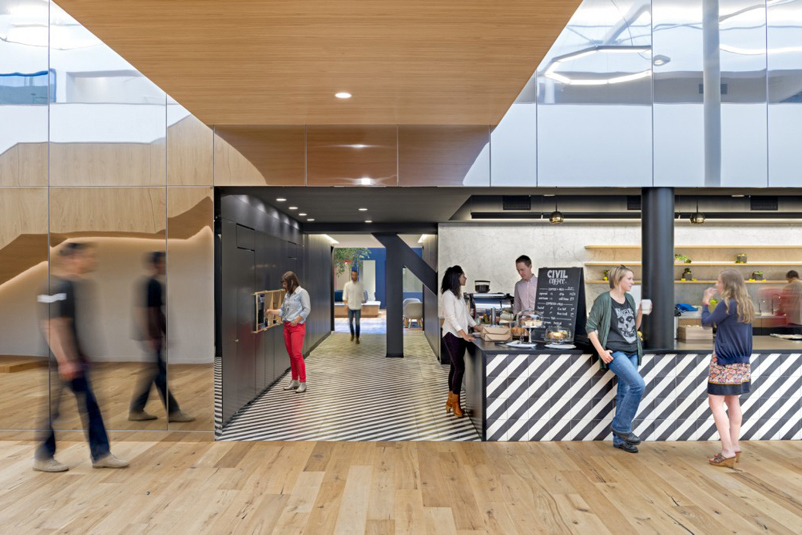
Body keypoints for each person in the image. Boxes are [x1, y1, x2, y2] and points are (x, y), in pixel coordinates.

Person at [34, 242, 129, 472]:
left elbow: (68, 325)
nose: (91, 260)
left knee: (86, 405)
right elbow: (52, 325)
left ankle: (98, 454)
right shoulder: (57, 287)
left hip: (74, 360)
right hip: (63, 361)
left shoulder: (75, 285)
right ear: (73, 258)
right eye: (87, 256)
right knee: (63, 409)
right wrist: (65, 360)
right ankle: (46, 457)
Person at [586, 265, 646, 454]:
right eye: (629, 278)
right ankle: (621, 426)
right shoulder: (604, 300)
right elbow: (590, 327)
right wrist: (602, 352)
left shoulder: (629, 299)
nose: (633, 282)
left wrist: (640, 313)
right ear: (619, 279)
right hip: (616, 352)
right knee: (638, 385)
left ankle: (619, 440)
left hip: (632, 351)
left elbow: (633, 328)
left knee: (624, 392)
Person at [129, 252, 194, 423]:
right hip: (152, 337)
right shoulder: (151, 284)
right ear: (155, 264)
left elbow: (159, 312)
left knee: (155, 373)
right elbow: (146, 312)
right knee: (159, 374)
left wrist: (165, 334)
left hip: (153, 336)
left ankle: (136, 409)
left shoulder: (155, 284)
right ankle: (173, 412)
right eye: (163, 263)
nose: (165, 266)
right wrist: (151, 336)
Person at [701, 269, 755, 468]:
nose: (717, 285)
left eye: (719, 281)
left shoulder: (726, 304)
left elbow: (706, 323)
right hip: (742, 362)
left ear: (728, 284)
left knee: (715, 403)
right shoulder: (746, 304)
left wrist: (705, 302)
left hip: (723, 361)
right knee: (733, 401)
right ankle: (735, 446)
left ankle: (726, 451)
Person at [441, 265, 483, 417]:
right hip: (451, 335)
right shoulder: (447, 295)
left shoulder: (458, 295)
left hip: (459, 335)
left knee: (454, 367)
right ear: (456, 277)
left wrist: (478, 328)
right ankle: (456, 404)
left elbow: (466, 316)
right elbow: (451, 317)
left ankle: (450, 401)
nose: (465, 278)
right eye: (463, 276)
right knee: (460, 367)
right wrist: (464, 334)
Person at [268, 271, 311, 393]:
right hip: (287, 326)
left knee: (297, 355)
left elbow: (307, 309)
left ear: (292, 282)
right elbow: (282, 311)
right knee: (291, 355)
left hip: (297, 327)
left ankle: (303, 382)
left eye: (285, 283)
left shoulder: (302, 293)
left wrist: (297, 320)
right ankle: (294, 380)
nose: (283, 286)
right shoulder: (287, 294)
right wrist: (271, 311)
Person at [343, 269, 365, 344]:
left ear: (357, 276)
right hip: (350, 307)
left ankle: (357, 337)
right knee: (350, 322)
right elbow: (344, 296)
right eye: (352, 275)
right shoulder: (347, 285)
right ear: (351, 276)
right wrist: (346, 304)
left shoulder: (360, 285)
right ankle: (352, 334)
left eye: (355, 275)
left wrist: (363, 304)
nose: (354, 276)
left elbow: (362, 296)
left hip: (358, 307)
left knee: (357, 323)